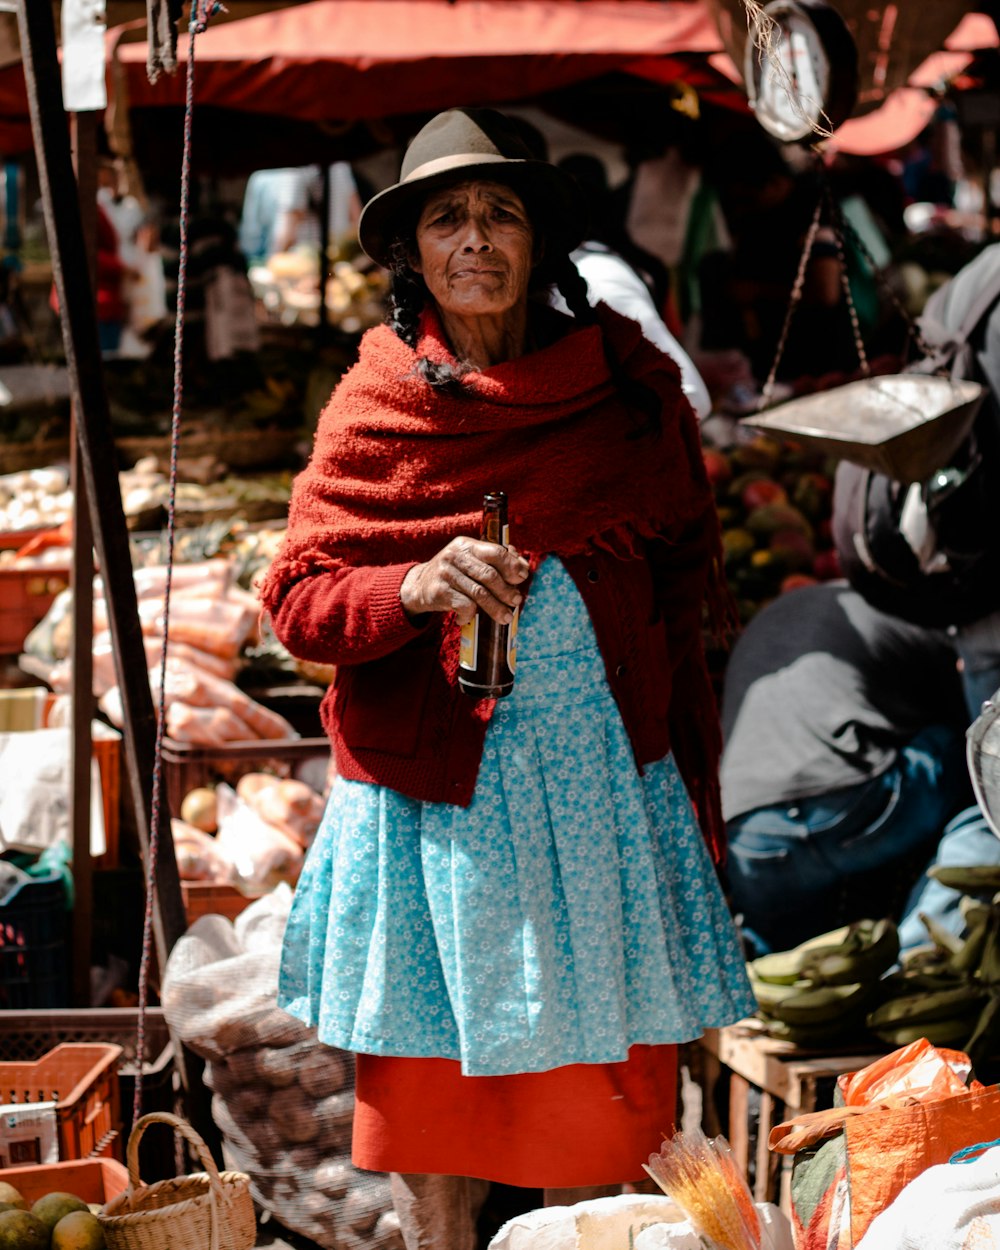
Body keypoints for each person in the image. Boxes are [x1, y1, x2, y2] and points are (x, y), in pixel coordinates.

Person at [259, 107, 754, 1250]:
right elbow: (298, 604)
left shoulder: (623, 402)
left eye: (500, 215)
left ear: (538, 246)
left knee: (601, 1170)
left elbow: (684, 586)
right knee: (437, 1169)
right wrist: (412, 591)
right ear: (412, 254)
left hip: (598, 831)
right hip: (436, 842)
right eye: (446, 218)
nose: (474, 239)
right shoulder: (375, 410)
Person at [720, 581, 971, 957]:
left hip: (748, 837)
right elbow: (973, 712)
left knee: (786, 961)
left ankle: (757, 950)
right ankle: (922, 951)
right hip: (853, 805)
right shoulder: (917, 613)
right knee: (974, 755)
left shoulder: (784, 611)